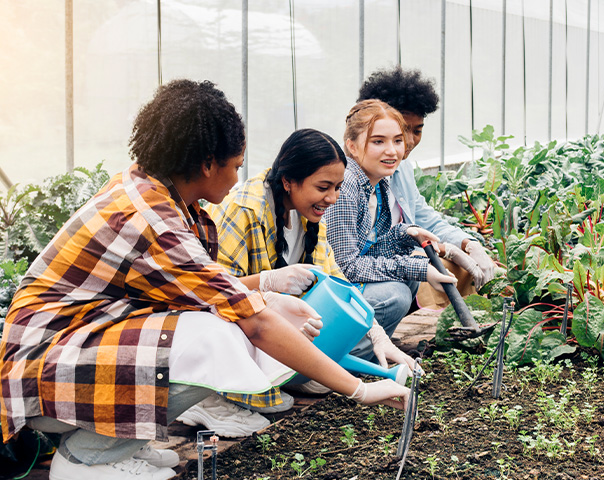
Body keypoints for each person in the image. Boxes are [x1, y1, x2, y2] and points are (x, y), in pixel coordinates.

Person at [0, 80, 410, 480]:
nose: (236, 178)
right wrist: (360, 390)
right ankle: (86, 458)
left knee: (220, 325)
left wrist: (265, 291)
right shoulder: (155, 221)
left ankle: (123, 443)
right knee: (219, 336)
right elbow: (251, 321)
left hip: (67, 348)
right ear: (207, 163)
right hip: (44, 370)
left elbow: (205, 288)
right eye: (233, 166)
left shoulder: (150, 187)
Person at [175, 128, 417, 435]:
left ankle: (292, 372)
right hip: (230, 324)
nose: (332, 198)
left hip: (268, 323)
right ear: (289, 181)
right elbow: (208, 294)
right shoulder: (244, 210)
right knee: (390, 297)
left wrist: (378, 335)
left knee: (373, 308)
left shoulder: (307, 214)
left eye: (338, 187)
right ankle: (208, 396)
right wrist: (267, 281)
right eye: (323, 187)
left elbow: (336, 280)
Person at [357, 66, 496, 309]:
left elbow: (424, 218)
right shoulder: (350, 181)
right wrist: (436, 252)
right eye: (402, 130)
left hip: (402, 264)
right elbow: (357, 258)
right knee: (401, 294)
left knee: (478, 272)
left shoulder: (402, 169)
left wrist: (468, 243)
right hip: (374, 278)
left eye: (417, 130)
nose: (409, 141)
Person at [325, 99, 458, 350]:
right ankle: (341, 359)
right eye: (378, 141)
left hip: (346, 277)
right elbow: (346, 267)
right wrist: (419, 268)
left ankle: (375, 345)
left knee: (409, 278)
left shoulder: (378, 180)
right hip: (326, 290)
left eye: (397, 140)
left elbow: (372, 250)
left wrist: (406, 233)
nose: (393, 151)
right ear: (352, 146)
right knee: (395, 296)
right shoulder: (346, 186)